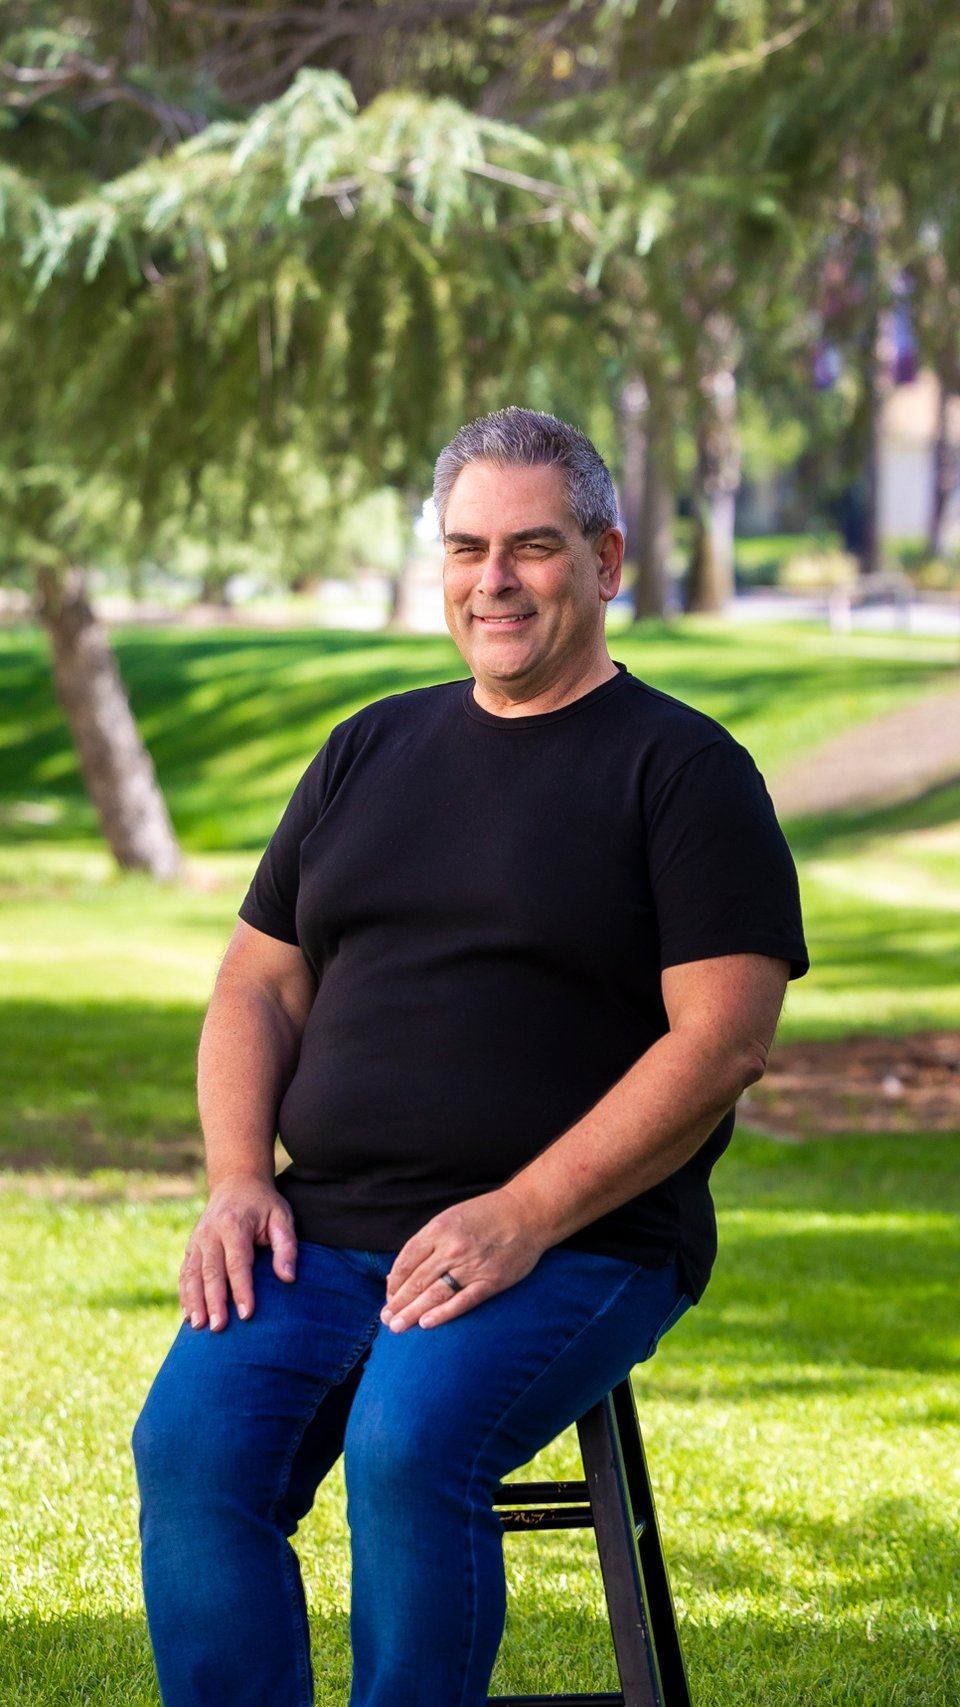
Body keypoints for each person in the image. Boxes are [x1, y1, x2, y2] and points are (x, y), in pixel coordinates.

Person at [133, 407, 808, 1707]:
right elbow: (256, 987)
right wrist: (235, 1176)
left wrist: (522, 1214)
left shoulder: (685, 773)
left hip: (578, 1240)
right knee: (194, 1449)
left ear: (607, 561)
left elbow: (723, 1043)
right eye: (467, 548)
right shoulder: (366, 751)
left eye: (534, 548)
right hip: (320, 1231)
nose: (493, 580)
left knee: (406, 1441)